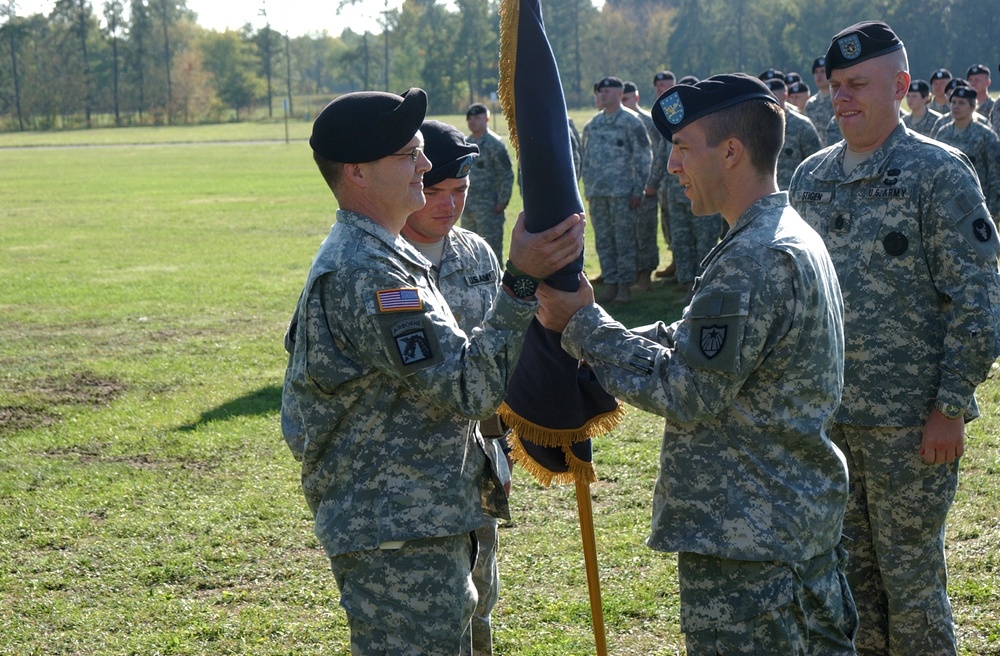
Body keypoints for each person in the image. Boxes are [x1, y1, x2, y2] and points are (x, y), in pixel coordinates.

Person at [535, 73, 857, 655]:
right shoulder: (781, 236)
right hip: (788, 524)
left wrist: (584, 328)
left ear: (731, 152)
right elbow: (693, 340)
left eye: (683, 148)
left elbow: (688, 390)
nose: (673, 165)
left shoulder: (754, 258)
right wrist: (594, 328)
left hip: (750, 545)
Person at [280, 88, 585, 655]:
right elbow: (467, 387)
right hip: (397, 525)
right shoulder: (371, 270)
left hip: (415, 515)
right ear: (357, 173)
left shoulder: (386, 256)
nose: (425, 164)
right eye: (408, 155)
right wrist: (520, 282)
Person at [789, 21, 1000, 656]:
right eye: (836, 85)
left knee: (911, 586)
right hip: (828, 424)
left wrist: (950, 406)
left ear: (902, 86)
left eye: (858, 84)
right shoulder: (810, 178)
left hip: (911, 426)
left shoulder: (939, 173)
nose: (842, 97)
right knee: (851, 583)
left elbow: (979, 302)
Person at [398, 119, 512, 656]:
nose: (448, 205)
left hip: (480, 452)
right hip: (413, 467)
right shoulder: (383, 261)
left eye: (460, 191)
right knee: (427, 610)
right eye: (435, 191)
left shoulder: (477, 255)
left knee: (482, 588)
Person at [581, 76, 652, 304]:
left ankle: (624, 287)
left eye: (608, 91)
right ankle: (610, 284)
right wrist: (589, 189)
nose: (603, 94)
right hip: (599, 193)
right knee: (603, 240)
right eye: (600, 91)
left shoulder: (632, 122)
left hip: (623, 194)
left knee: (624, 241)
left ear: (620, 93)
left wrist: (638, 189)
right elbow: (587, 159)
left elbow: (644, 158)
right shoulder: (593, 124)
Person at [933, 85, 1000, 217]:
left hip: (978, 206)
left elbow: (995, 176)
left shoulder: (985, 135)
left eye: (962, 103)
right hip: (947, 207)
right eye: (953, 102)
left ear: (973, 107)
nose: (956, 106)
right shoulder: (943, 133)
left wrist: (992, 211)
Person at [622, 80, 662, 291]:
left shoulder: (648, 122)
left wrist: (651, 183)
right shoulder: (621, 122)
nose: (624, 102)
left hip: (645, 189)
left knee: (645, 233)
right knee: (629, 234)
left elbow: (657, 157)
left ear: (636, 98)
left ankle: (645, 277)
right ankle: (631, 274)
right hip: (626, 189)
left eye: (627, 98)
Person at [464, 103, 515, 262]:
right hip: (468, 207)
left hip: (489, 208)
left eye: (477, 118)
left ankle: (496, 285)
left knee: (490, 252)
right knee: (468, 250)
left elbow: (506, 175)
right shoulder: (465, 144)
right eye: (470, 118)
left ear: (487, 119)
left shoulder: (495, 144)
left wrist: (502, 202)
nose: (473, 122)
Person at [762, 76, 822, 189]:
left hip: (795, 196)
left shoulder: (802, 125)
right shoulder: (758, 126)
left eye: (773, 96)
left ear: (785, 96)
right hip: (766, 197)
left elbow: (817, 164)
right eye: (766, 96)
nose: (768, 100)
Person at [650, 70, 678, 280]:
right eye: (659, 86)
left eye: (666, 85)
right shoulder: (658, 113)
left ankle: (683, 268)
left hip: (680, 181)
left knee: (684, 225)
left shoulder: (677, 111)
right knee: (669, 224)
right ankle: (676, 262)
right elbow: (659, 153)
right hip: (665, 183)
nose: (662, 89)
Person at [806, 56, 836, 146]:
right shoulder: (810, 104)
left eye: (823, 71)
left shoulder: (838, 100)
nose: (818, 76)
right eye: (816, 72)